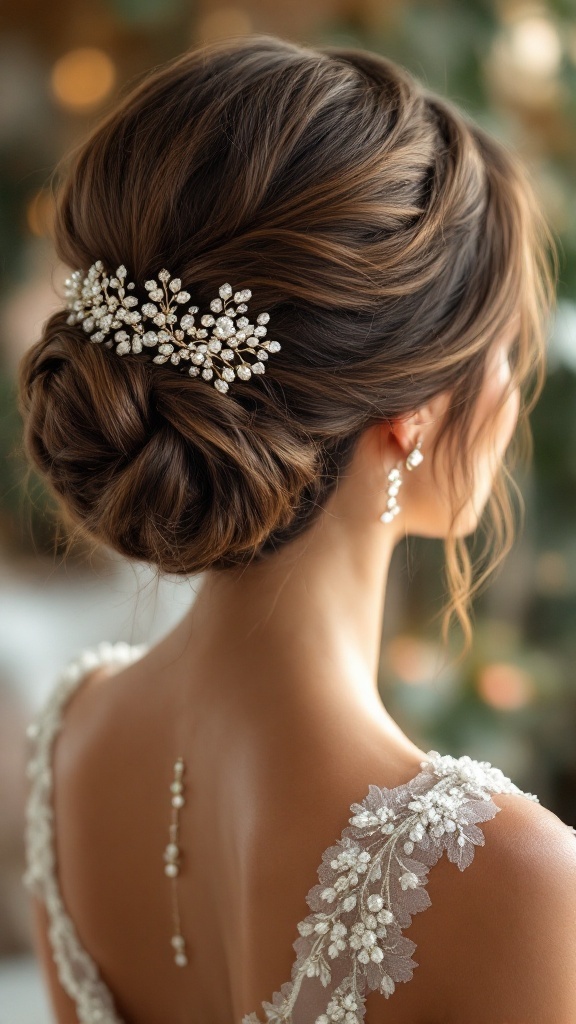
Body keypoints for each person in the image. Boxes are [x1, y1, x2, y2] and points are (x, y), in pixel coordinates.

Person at [17, 33, 576, 1024]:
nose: (511, 389)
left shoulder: (68, 746)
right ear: (412, 415)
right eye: (498, 350)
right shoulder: (516, 878)